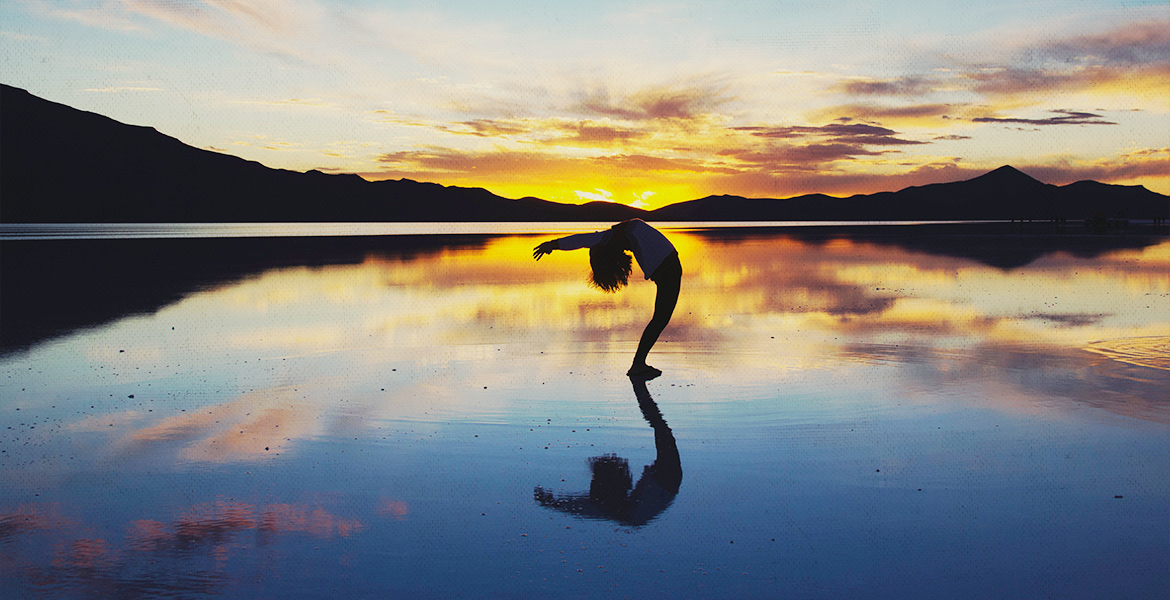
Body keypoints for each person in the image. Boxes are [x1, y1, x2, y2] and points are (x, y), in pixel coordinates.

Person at [532, 219, 681, 378]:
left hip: (667, 269)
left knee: (659, 320)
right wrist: (553, 245)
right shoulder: (617, 234)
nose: (623, 249)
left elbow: (582, 240)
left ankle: (638, 363)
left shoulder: (612, 236)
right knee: (659, 320)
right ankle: (638, 364)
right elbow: (581, 240)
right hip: (667, 271)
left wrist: (553, 245)